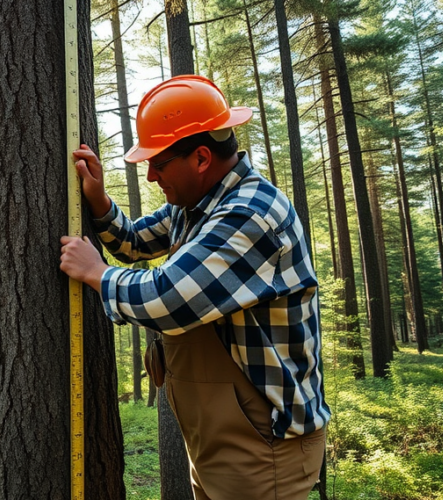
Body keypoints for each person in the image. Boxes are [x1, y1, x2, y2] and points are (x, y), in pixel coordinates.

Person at [59, 75, 330, 500]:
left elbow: (166, 296)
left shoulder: (248, 215)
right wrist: (99, 202)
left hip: (263, 448)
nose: (150, 176)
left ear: (201, 158)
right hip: (222, 440)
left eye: (159, 164)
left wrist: (97, 273)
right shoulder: (197, 206)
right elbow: (135, 241)